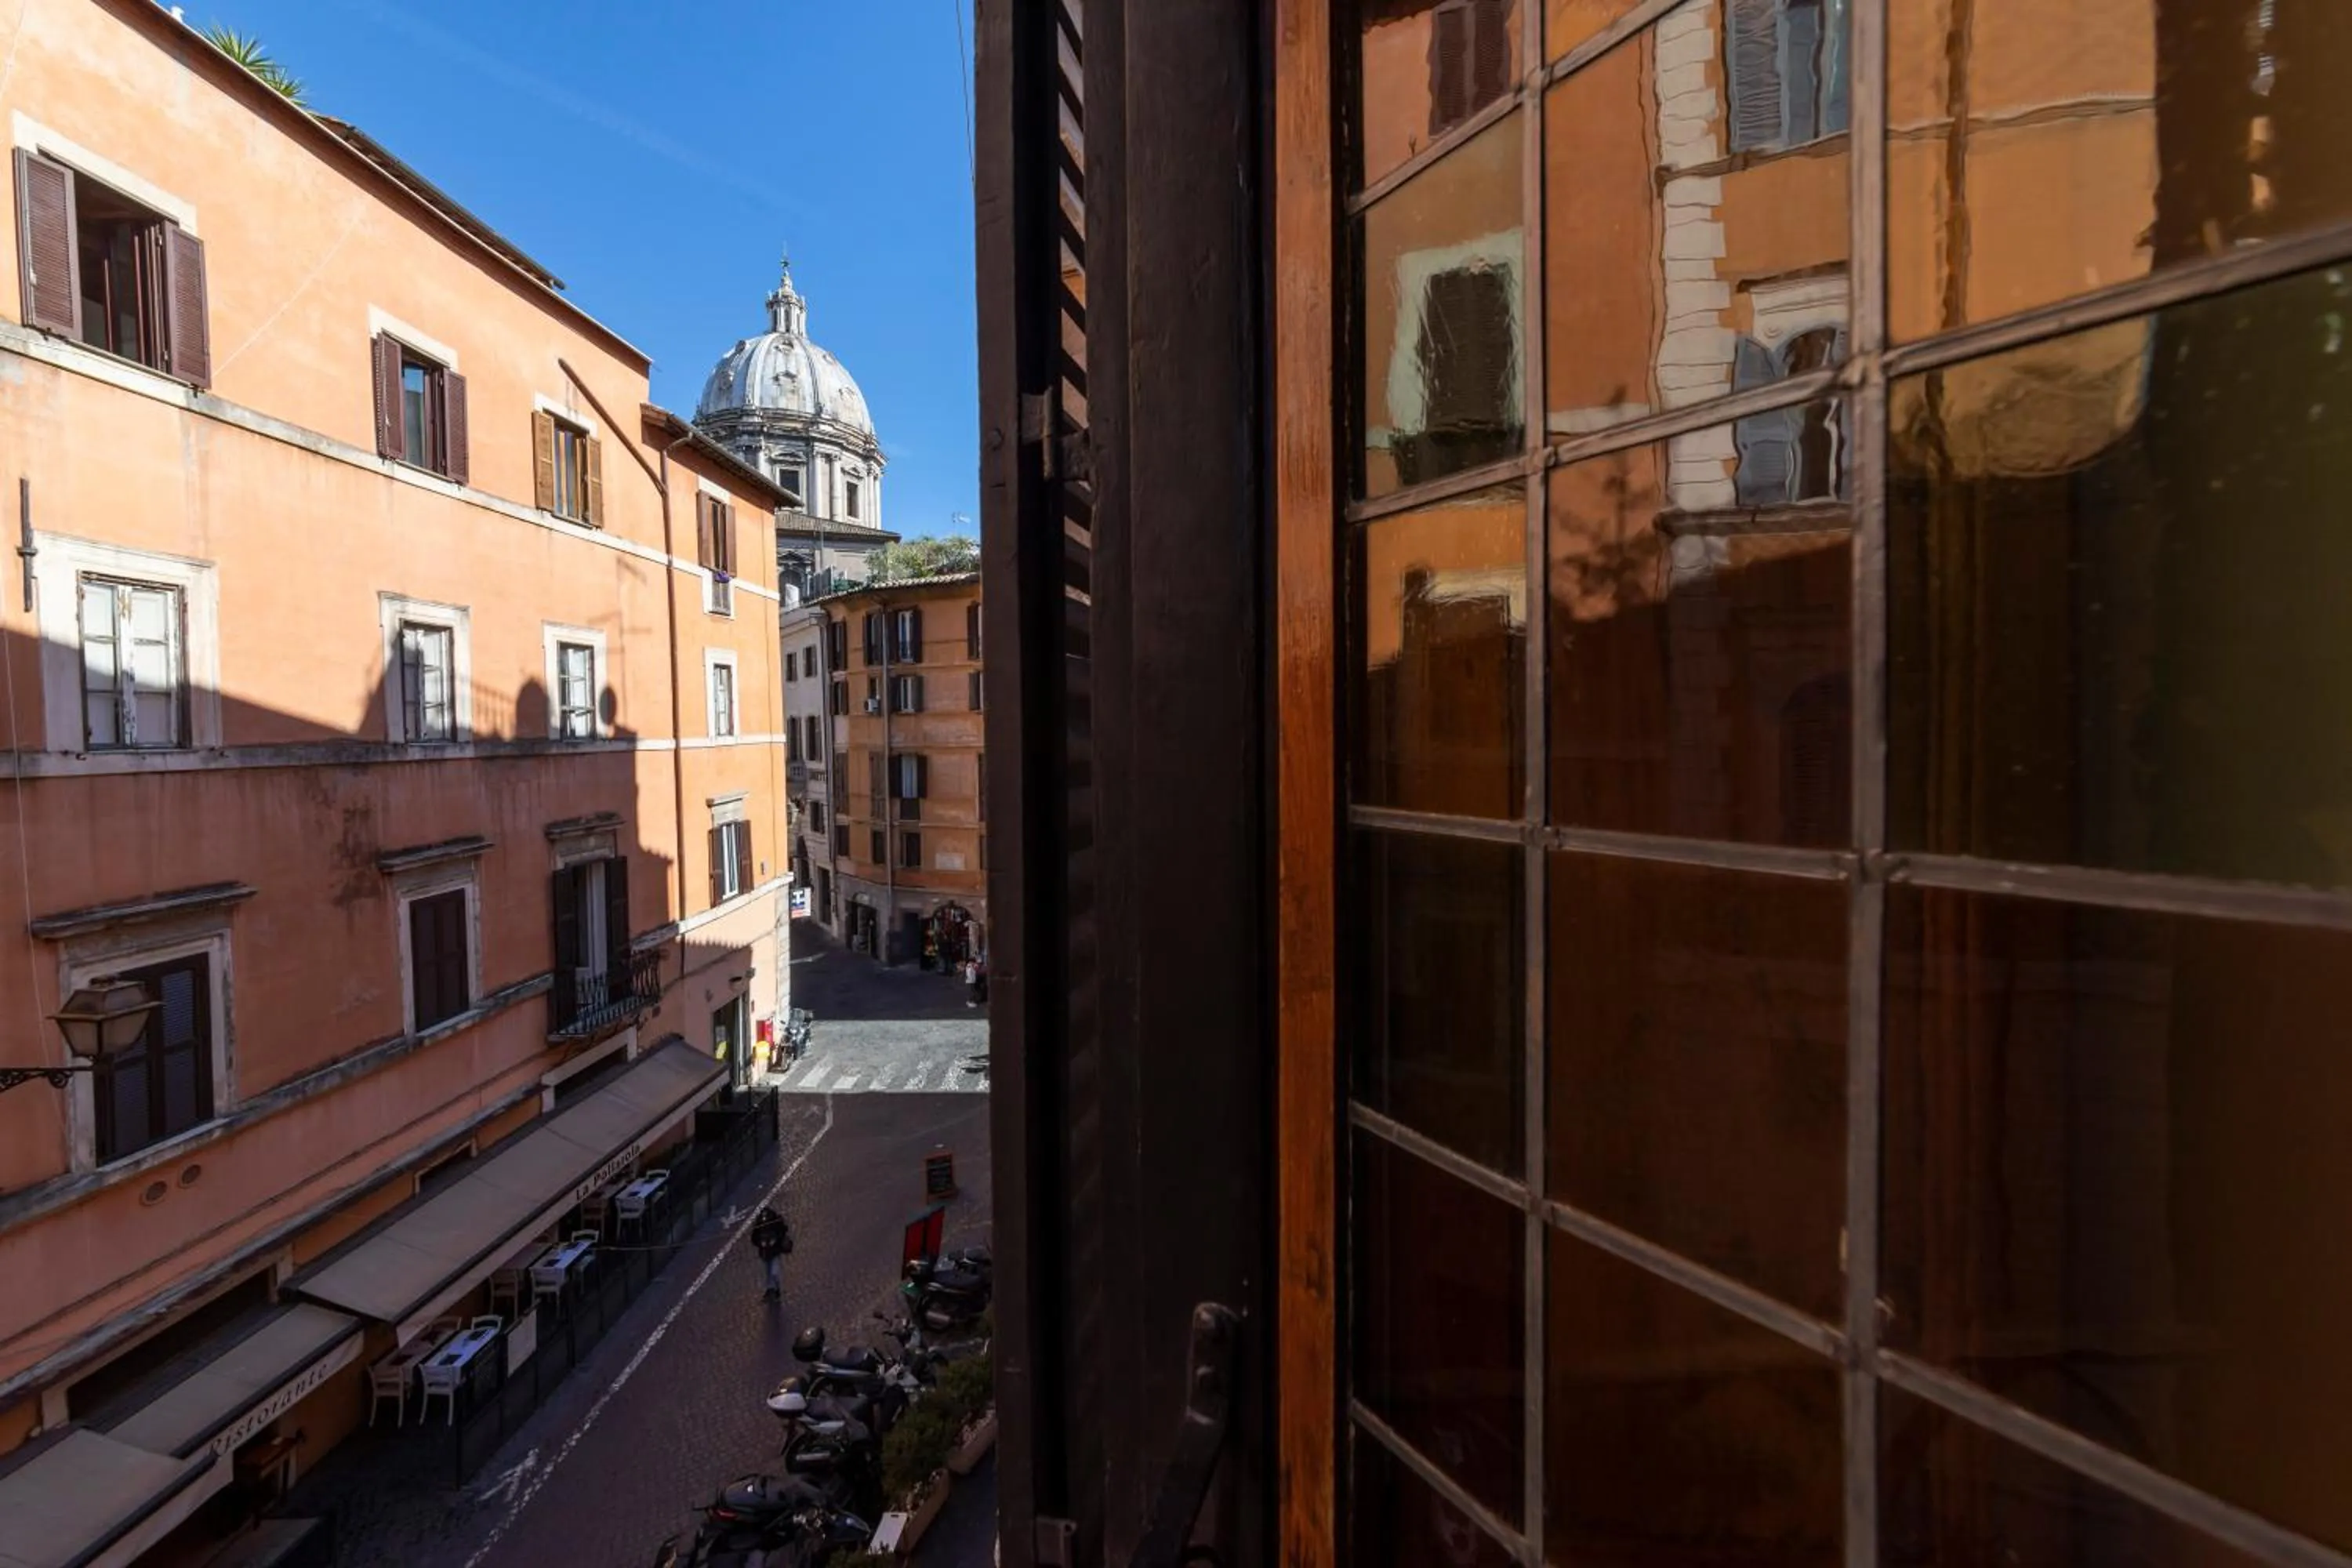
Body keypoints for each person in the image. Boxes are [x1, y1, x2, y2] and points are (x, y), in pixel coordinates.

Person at [752, 1206, 792, 1301]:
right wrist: (761, 1244)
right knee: (768, 1272)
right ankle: (771, 1290)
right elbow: (754, 1238)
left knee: (774, 1271)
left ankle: (776, 1290)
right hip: (766, 1253)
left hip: (774, 1252)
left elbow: (782, 1231)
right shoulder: (760, 1227)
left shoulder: (776, 1224)